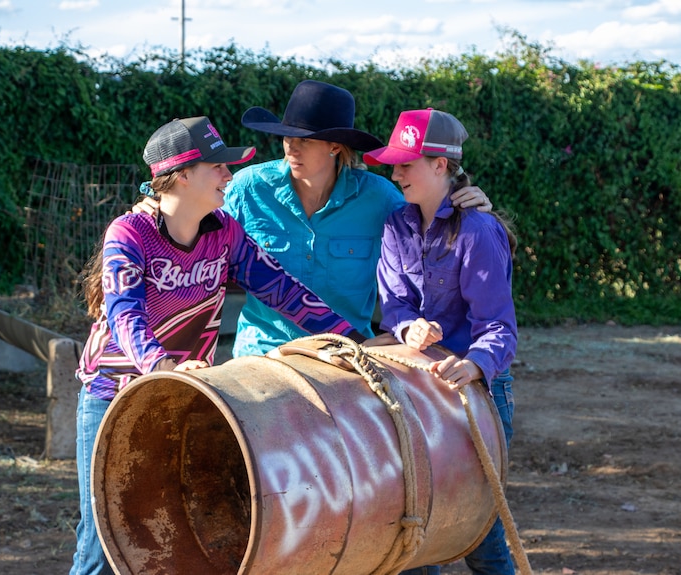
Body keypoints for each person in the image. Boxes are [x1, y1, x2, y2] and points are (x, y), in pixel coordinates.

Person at [70, 116, 366, 575]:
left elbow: (280, 288)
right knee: (101, 546)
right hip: (113, 396)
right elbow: (124, 316)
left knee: (171, 537)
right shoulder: (129, 234)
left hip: (182, 399)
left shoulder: (224, 232)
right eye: (219, 168)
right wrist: (162, 365)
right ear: (183, 174)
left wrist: (352, 337)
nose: (230, 177)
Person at [138, 80, 493, 357]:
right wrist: (155, 205)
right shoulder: (248, 188)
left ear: (335, 146)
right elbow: (190, 217)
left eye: (304, 140)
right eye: (286, 138)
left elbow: (431, 231)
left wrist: (463, 203)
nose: (291, 147)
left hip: (349, 353)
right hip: (263, 354)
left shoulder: (380, 198)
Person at [363, 108, 518, 575]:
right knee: (415, 525)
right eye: (395, 164)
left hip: (475, 392)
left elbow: (499, 327)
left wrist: (473, 366)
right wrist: (408, 327)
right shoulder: (396, 226)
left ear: (440, 165)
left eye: (406, 164)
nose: (395, 174)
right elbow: (394, 305)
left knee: (480, 531)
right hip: (416, 388)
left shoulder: (479, 231)